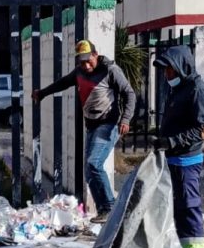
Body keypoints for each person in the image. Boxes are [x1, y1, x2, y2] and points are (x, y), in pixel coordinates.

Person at [31, 40, 136, 221]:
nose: (86, 66)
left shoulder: (110, 70)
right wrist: (42, 93)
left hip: (108, 124)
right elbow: (63, 83)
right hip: (92, 126)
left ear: (95, 55)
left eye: (89, 61)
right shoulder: (79, 72)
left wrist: (126, 119)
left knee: (94, 163)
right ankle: (103, 210)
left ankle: (110, 207)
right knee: (89, 171)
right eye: (82, 62)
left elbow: (129, 94)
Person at [153, 45, 204, 248]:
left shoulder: (198, 90)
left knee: (189, 211)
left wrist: (172, 141)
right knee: (177, 212)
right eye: (165, 70)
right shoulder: (179, 89)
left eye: (169, 69)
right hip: (173, 160)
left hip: (187, 162)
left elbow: (203, 129)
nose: (167, 74)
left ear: (182, 66)